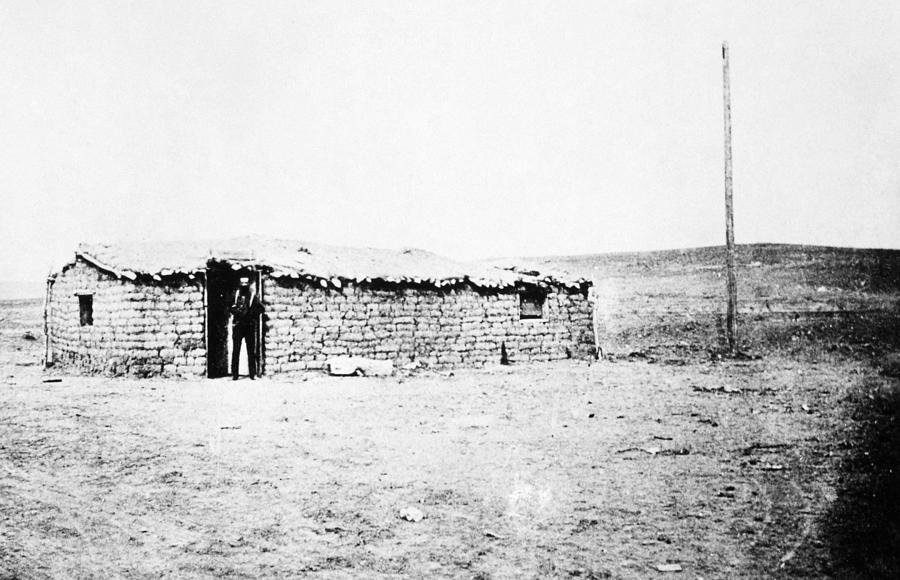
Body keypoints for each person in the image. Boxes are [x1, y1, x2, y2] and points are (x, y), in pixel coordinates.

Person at [230, 277, 264, 380]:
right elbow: (229, 306)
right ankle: (235, 375)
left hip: (249, 326)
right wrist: (237, 312)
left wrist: (251, 315)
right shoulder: (235, 295)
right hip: (238, 326)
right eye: (242, 284)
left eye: (246, 284)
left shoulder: (253, 296)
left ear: (248, 285)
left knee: (251, 350)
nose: (244, 286)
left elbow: (261, 308)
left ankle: (252, 374)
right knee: (236, 350)